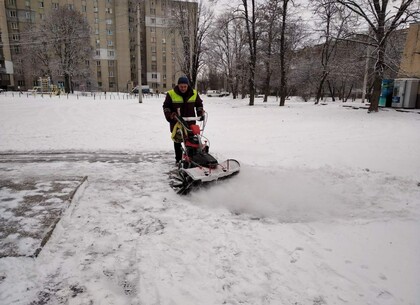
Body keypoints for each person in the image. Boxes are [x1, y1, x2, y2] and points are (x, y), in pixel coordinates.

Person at [163, 76, 204, 164]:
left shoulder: (194, 93)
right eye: (181, 86)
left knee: (192, 140)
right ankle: (178, 160)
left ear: (187, 86)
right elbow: (166, 107)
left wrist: (200, 113)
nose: (183, 88)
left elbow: (199, 104)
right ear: (178, 85)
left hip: (190, 121)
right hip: (176, 122)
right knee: (178, 141)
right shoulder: (171, 94)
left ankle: (192, 158)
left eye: (185, 86)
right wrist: (170, 115)